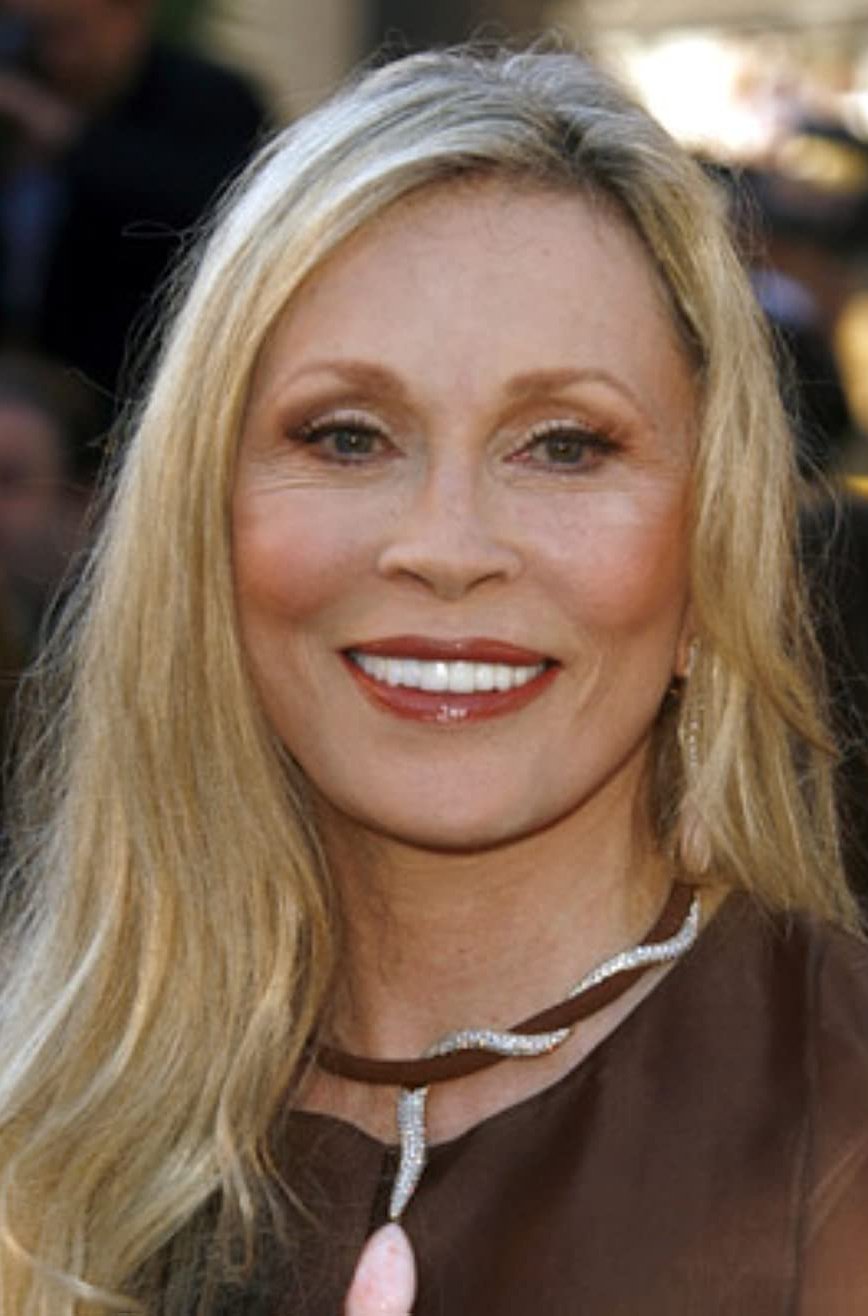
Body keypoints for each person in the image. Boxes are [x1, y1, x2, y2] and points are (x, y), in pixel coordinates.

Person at [0, 44, 866, 1316]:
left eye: (564, 445)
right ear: (203, 525)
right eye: (346, 436)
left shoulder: (834, 1128)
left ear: (709, 547)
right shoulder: (39, 1124)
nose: (447, 546)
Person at [0, 0, 268, 476]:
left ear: (129, 18)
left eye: (69, 32)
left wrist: (70, 138)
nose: (55, 54)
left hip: (146, 392)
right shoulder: (23, 88)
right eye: (35, 33)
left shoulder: (208, 99)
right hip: (27, 380)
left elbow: (213, 208)